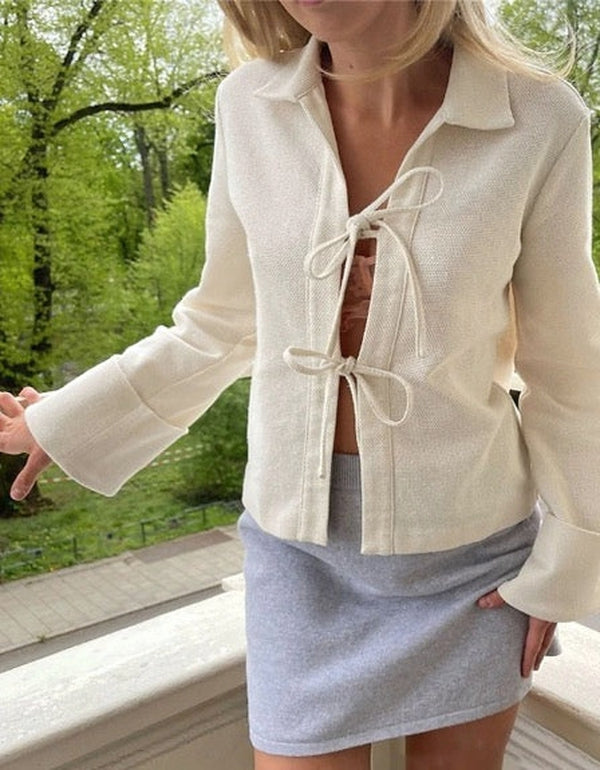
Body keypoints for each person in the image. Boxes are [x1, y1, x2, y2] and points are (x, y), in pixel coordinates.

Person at [1, 1, 600, 768]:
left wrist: (566, 566)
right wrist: (67, 420)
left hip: (473, 560)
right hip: (299, 557)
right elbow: (220, 324)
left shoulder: (539, 116)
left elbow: (568, 367)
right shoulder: (249, 105)